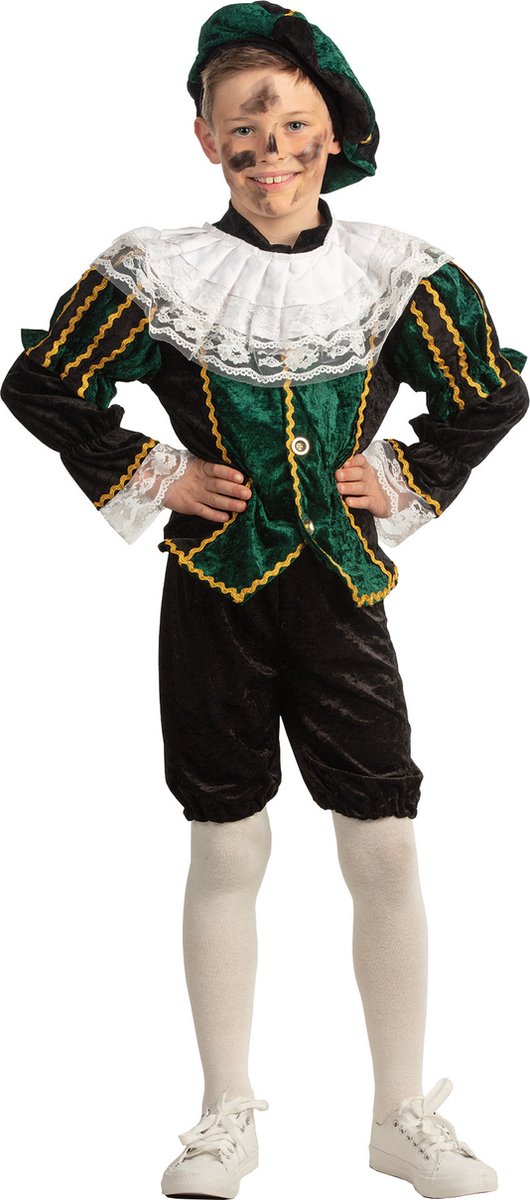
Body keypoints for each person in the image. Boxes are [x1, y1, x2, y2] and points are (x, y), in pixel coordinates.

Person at [1, 3, 528, 1197]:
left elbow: (486, 395)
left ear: (331, 134)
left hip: (340, 592)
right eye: (243, 129)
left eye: (291, 124)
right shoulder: (160, 270)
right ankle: (223, 1112)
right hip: (213, 591)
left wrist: (404, 477)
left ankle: (398, 1113)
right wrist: (156, 473)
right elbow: (43, 385)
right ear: (205, 142)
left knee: (382, 841)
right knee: (226, 840)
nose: (269, 150)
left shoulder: (394, 272)